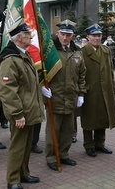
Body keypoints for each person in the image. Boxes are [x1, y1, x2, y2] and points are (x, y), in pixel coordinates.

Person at [0, 21, 44, 189]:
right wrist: (17, 114)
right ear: (18, 38)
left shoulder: (24, 55)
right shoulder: (10, 59)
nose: (31, 36)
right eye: (27, 34)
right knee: (18, 147)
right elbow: (7, 90)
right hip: (21, 112)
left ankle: (24, 173)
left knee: (25, 146)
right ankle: (13, 180)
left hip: (29, 110)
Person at [45, 19, 86, 171]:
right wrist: (43, 88)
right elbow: (42, 72)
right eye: (62, 34)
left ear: (73, 36)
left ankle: (63, 154)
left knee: (68, 129)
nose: (65, 37)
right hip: (54, 97)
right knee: (53, 129)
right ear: (58, 34)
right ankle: (51, 156)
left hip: (71, 97)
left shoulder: (77, 52)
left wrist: (81, 94)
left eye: (68, 35)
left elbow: (82, 75)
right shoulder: (51, 52)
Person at [81, 24, 115, 157]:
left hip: (105, 90)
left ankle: (100, 143)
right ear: (88, 37)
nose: (96, 38)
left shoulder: (106, 50)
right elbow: (80, 74)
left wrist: (113, 88)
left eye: (98, 35)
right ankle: (89, 145)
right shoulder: (82, 51)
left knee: (103, 117)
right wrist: (81, 91)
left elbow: (110, 71)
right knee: (89, 119)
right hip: (90, 91)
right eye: (94, 35)